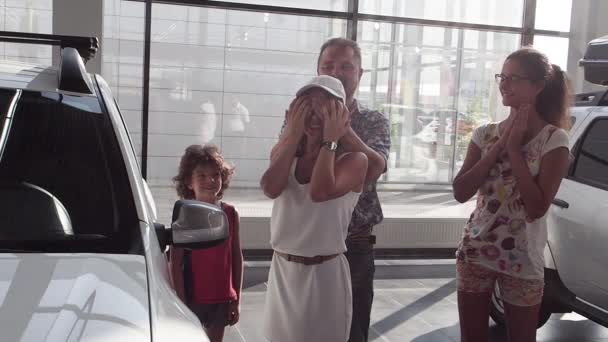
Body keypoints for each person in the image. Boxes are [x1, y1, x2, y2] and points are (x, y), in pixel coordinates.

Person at [274, 37, 391, 342]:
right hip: (299, 243)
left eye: (345, 67)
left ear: (360, 73)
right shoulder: (300, 114)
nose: (336, 72)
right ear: (318, 70)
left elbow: (376, 169)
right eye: (328, 66)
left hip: (352, 244)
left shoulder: (372, 120)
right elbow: (278, 170)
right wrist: (303, 125)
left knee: (350, 331)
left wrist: (339, 128)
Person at [452, 47, 572, 342]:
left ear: (538, 86)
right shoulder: (484, 133)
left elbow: (536, 208)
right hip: (476, 251)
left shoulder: (554, 139)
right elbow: (460, 191)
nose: (504, 84)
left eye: (513, 78)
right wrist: (499, 145)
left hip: (523, 259)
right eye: (501, 77)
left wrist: (515, 150)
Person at [260, 75, 368, 342]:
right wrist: (292, 134)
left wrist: (331, 139)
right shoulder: (285, 154)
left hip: (324, 275)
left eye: (326, 108)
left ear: (342, 115)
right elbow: (270, 187)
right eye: (307, 107)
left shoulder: (354, 160)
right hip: (284, 272)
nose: (315, 115)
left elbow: (321, 191)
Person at [169, 144, 243, 342]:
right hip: (193, 298)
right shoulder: (184, 215)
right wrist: (181, 303)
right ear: (189, 181)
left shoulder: (230, 213)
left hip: (221, 298)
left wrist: (236, 300)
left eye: (215, 175)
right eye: (201, 175)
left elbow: (236, 257)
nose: (210, 180)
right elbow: (175, 262)